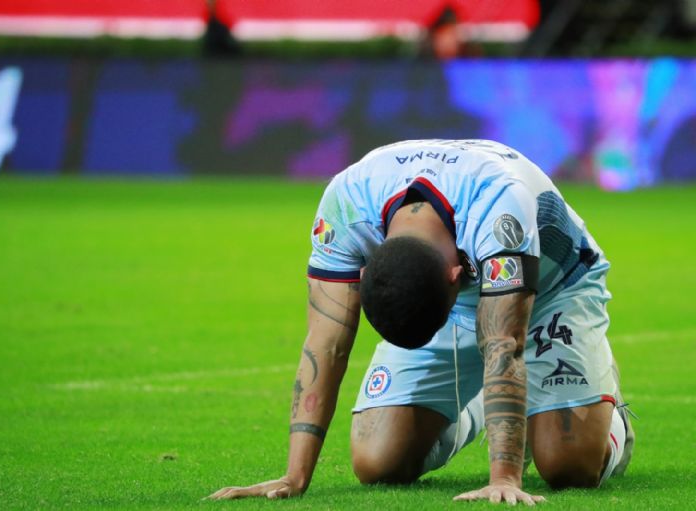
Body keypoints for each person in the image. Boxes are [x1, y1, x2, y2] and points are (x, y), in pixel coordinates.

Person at [209, 139, 634, 504]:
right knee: (378, 462)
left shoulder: (497, 207)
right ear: (365, 271)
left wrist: (503, 478)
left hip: (551, 290)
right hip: (449, 299)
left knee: (568, 466)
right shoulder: (345, 205)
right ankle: (487, 406)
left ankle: (612, 417)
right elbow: (325, 344)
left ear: (456, 277)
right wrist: (294, 476)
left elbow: (504, 344)